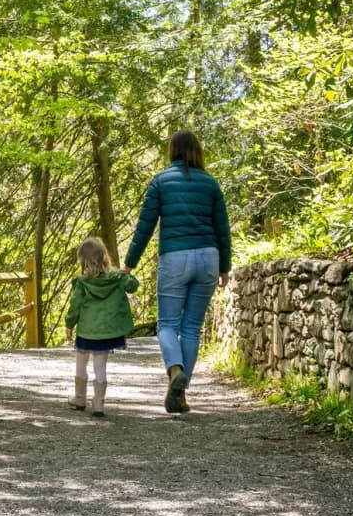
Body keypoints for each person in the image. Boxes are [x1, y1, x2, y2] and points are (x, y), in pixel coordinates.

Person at [123, 130, 231, 414]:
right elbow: (223, 229)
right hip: (208, 257)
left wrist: (129, 263)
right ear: (198, 151)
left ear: (172, 151)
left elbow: (144, 227)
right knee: (191, 328)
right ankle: (180, 396)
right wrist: (225, 268)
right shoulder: (210, 184)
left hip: (175, 258)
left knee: (167, 325)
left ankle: (174, 373)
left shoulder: (160, 182)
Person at [65, 236, 139, 419]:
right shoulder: (117, 278)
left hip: (86, 332)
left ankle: (80, 398)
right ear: (104, 257)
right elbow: (133, 286)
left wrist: (69, 324)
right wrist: (125, 273)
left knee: (81, 363)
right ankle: (98, 403)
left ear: (83, 261)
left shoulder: (82, 283)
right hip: (106, 333)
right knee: (100, 366)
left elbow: (75, 305)